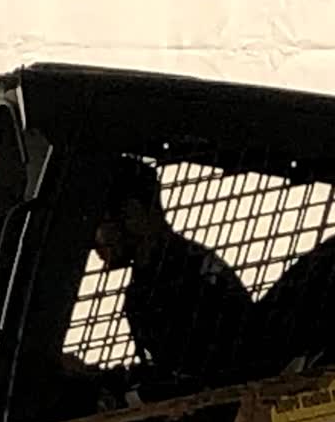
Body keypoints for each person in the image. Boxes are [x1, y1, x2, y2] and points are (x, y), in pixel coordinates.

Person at [90, 157, 252, 388]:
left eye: (98, 223)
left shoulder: (168, 288)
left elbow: (183, 380)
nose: (93, 241)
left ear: (132, 213)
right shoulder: (191, 266)